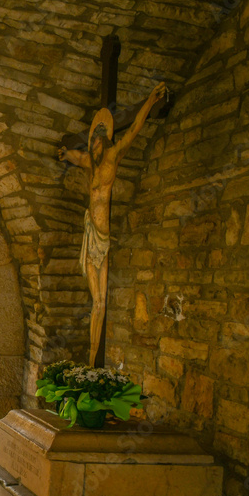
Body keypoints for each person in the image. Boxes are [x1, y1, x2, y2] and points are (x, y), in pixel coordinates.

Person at [58, 82, 168, 366]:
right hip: (89, 232)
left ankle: (94, 359)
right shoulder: (90, 163)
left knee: (100, 303)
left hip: (103, 237)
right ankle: (91, 359)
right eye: (92, 137)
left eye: (98, 137)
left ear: (106, 138)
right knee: (95, 300)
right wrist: (65, 153)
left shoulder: (113, 157)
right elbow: (72, 153)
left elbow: (134, 130)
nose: (94, 142)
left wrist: (149, 101)